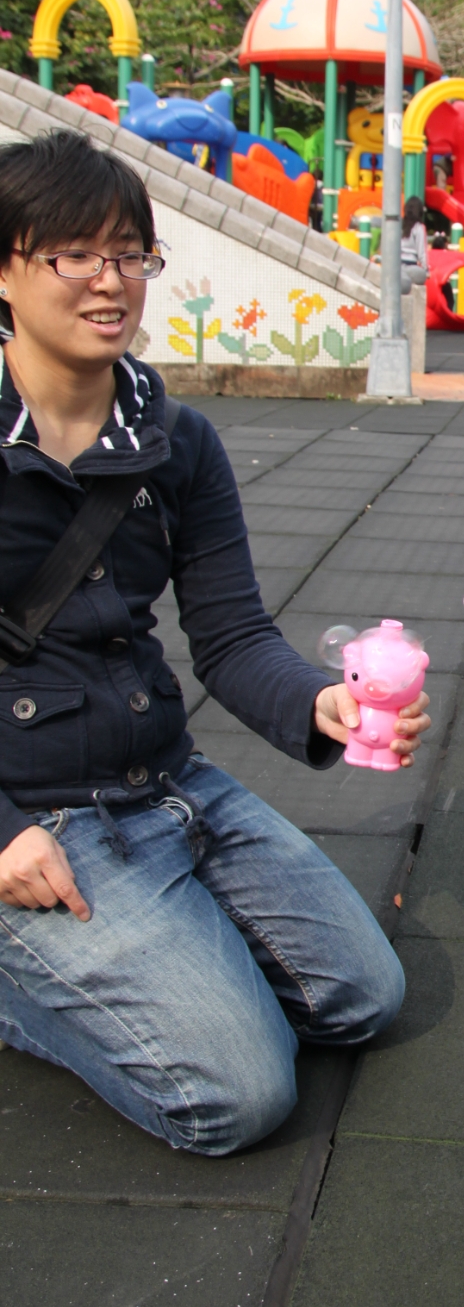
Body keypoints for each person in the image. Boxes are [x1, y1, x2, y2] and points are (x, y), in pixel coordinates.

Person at [0, 130, 427, 1155]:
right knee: (237, 1096)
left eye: (131, 254)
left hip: (167, 783)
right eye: (75, 253)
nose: (111, 281)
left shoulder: (176, 440)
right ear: (5, 272)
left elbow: (232, 634)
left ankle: (161, 946)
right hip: (35, 819)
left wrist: (319, 702)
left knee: (361, 998)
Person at [400, 195, 430, 295]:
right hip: (411, 267)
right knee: (422, 275)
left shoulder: (399, 225)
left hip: (397, 266)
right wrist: (426, 269)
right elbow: (422, 252)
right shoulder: (419, 227)